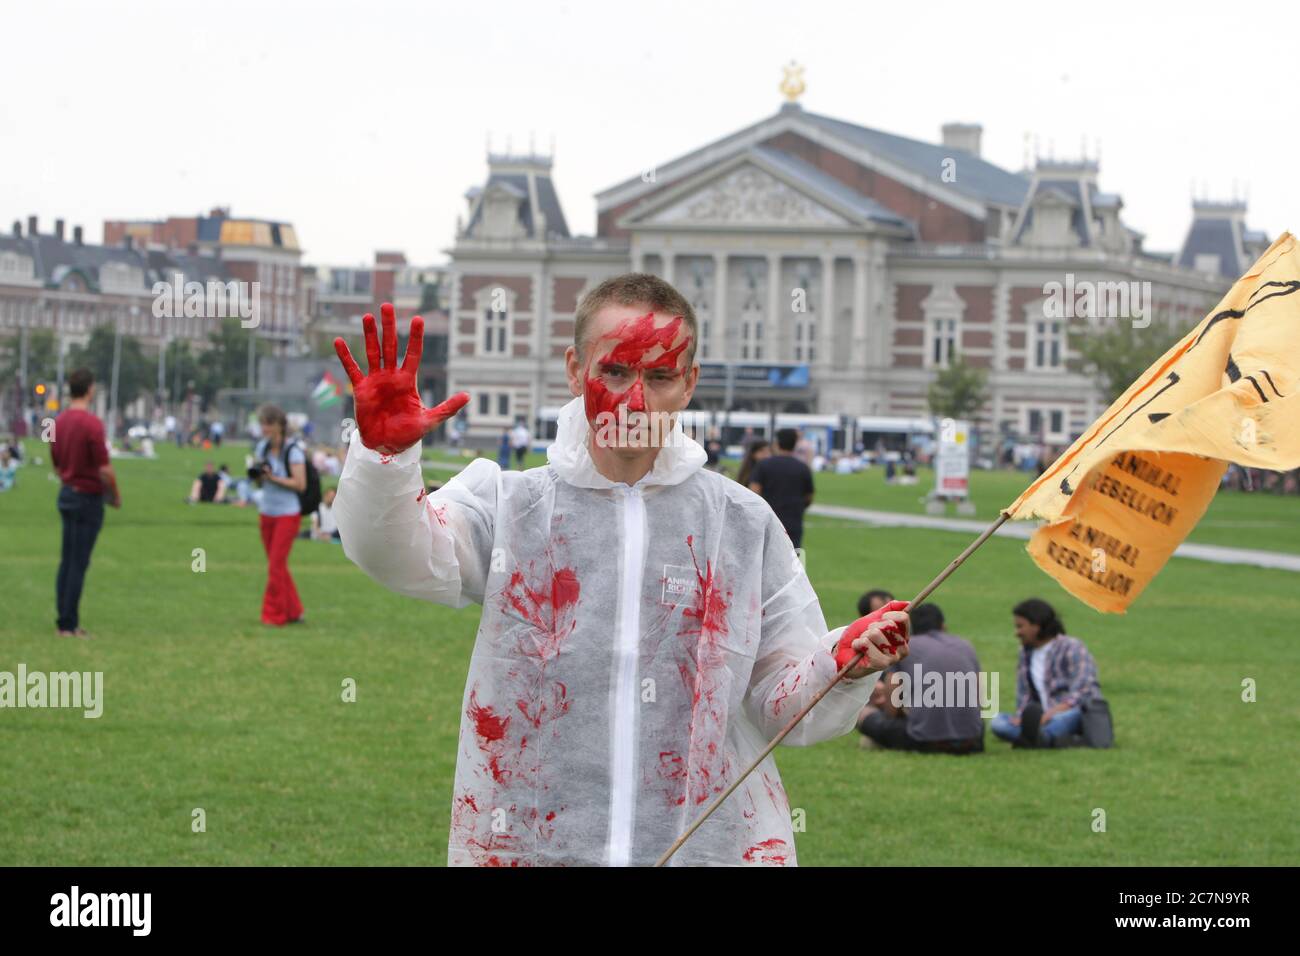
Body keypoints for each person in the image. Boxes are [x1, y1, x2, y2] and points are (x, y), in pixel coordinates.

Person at [331, 281, 911, 867]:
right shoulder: (510, 505)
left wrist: (839, 663)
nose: (636, 400)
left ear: (689, 382)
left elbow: (777, 700)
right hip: (532, 848)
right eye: (613, 372)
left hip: (706, 851)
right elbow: (396, 553)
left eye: (659, 377)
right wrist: (384, 461)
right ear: (573, 368)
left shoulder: (739, 522)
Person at [855, 603, 985, 754]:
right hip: (973, 742)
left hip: (924, 741)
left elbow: (892, 707)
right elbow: (980, 699)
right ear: (943, 626)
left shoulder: (905, 648)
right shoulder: (965, 646)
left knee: (862, 713)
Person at [50, 368, 121, 638]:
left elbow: (56, 464)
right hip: (87, 498)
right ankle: (69, 624)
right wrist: (115, 495)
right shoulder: (92, 424)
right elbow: (105, 469)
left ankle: (63, 619)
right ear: (90, 390)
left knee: (67, 560)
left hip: (66, 494)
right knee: (79, 562)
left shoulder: (58, 422)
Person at [991, 598, 1102, 748]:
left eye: (1020, 627)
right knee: (998, 722)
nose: (1017, 633)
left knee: (1066, 719)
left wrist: (1049, 715)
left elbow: (1084, 691)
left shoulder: (1072, 647)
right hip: (1040, 717)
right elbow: (1024, 696)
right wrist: (1021, 717)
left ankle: (1038, 737)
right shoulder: (1025, 653)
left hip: (1069, 712)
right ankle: (1042, 737)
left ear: (1036, 626)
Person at [252, 404, 306, 626]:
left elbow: (300, 484)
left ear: (279, 426)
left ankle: (273, 615)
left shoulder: (292, 451)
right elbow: (259, 480)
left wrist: (273, 478)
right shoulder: (262, 448)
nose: (264, 428)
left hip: (287, 513)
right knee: (278, 566)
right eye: (262, 423)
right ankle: (295, 611)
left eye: (268, 424)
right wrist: (258, 477)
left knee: (275, 566)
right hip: (267, 512)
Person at [748, 427, 815, 549]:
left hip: (768, 521)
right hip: (793, 521)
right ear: (795, 444)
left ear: (777, 444)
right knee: (793, 561)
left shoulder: (763, 465)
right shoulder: (802, 468)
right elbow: (809, 496)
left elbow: (754, 493)